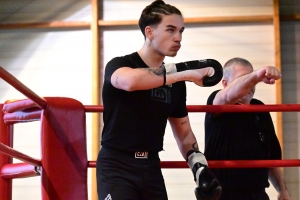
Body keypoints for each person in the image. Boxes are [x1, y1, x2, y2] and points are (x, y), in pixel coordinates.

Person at [96, 1, 222, 200]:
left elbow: (184, 134)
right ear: (149, 32)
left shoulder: (177, 82)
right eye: (170, 30)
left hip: (151, 167)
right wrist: (185, 70)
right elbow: (130, 81)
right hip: (116, 165)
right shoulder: (121, 64)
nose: (178, 38)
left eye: (181, 31)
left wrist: (200, 168)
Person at [204, 57, 290, 200]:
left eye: (252, 79)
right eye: (244, 79)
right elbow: (226, 96)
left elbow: (272, 157)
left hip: (258, 194)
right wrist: (257, 75)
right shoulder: (217, 101)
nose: (251, 84)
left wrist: (282, 190)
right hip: (224, 195)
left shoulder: (260, 109)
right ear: (225, 83)